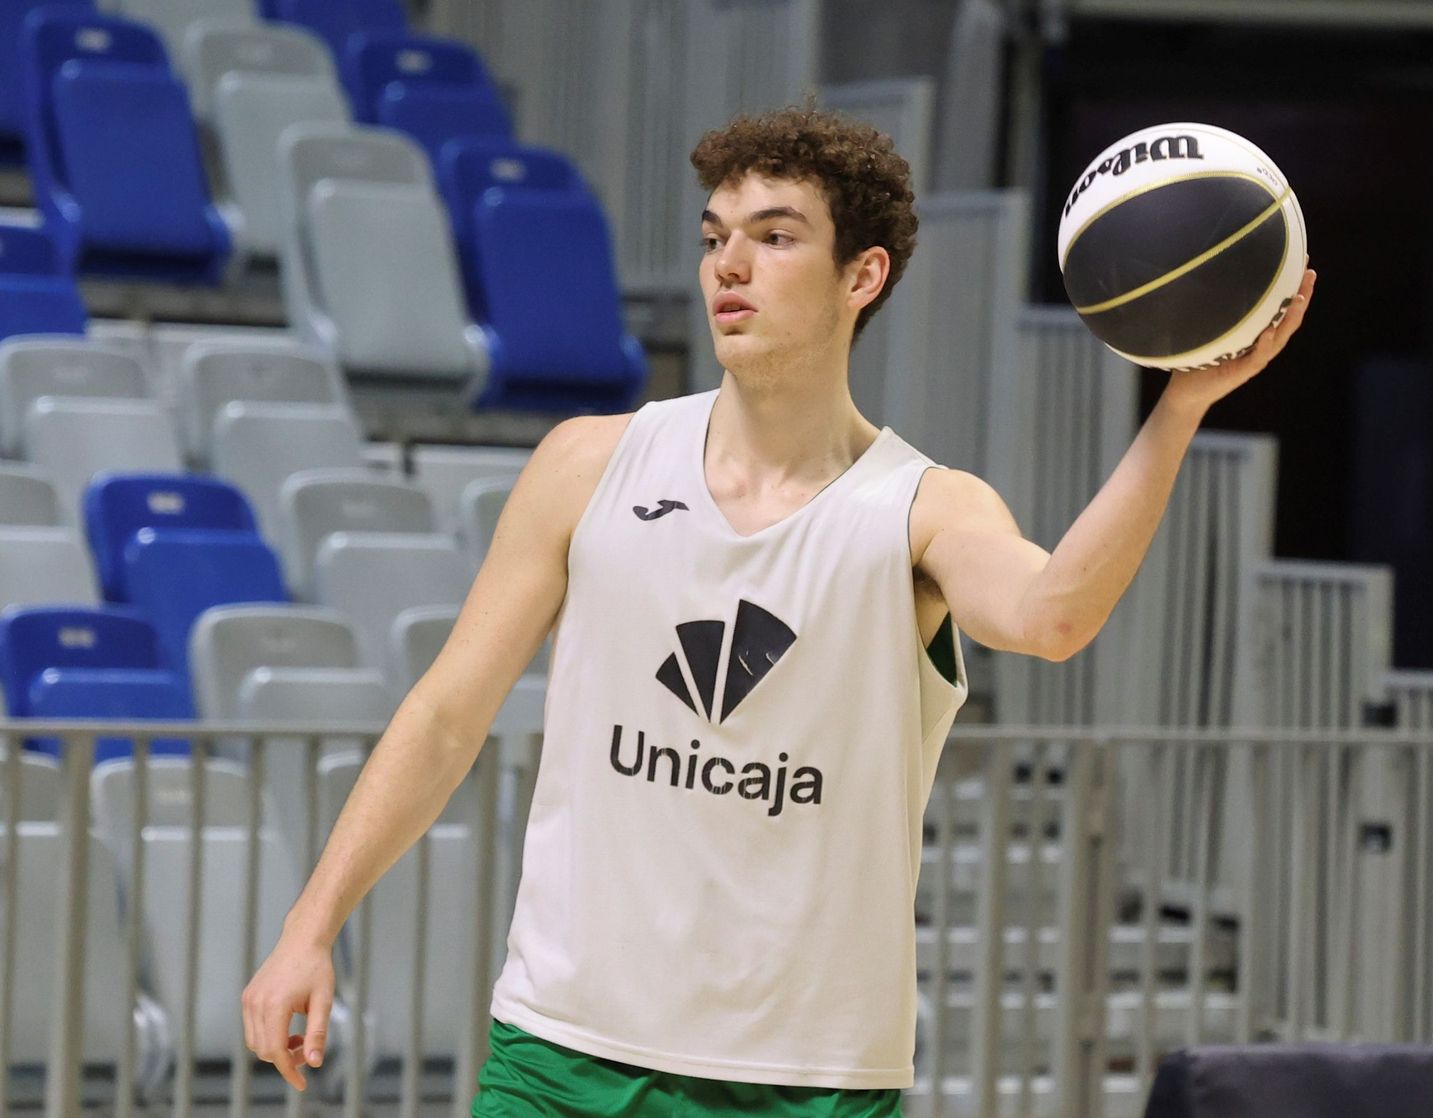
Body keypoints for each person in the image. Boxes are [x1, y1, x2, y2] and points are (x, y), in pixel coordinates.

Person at [241, 102, 1315, 1115]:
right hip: (563, 1048)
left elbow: (1052, 616)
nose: (729, 266)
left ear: (864, 274)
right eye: (714, 238)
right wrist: (311, 920)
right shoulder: (588, 463)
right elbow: (443, 715)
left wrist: (1178, 410)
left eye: (774, 236)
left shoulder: (923, 509)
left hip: (808, 1074)